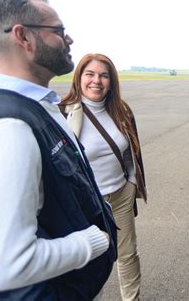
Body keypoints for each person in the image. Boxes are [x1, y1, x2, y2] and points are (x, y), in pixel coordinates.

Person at [0, 0, 117, 300]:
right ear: (24, 37)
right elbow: (6, 266)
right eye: (58, 31)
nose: (69, 40)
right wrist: (92, 242)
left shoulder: (37, 105)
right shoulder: (8, 127)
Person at [59, 53, 147, 301]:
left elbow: (130, 150)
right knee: (84, 260)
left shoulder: (121, 110)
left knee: (128, 254)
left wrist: (131, 181)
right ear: (79, 78)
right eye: (90, 74)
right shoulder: (63, 113)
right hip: (85, 203)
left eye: (103, 75)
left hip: (119, 196)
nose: (96, 80)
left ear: (111, 81)